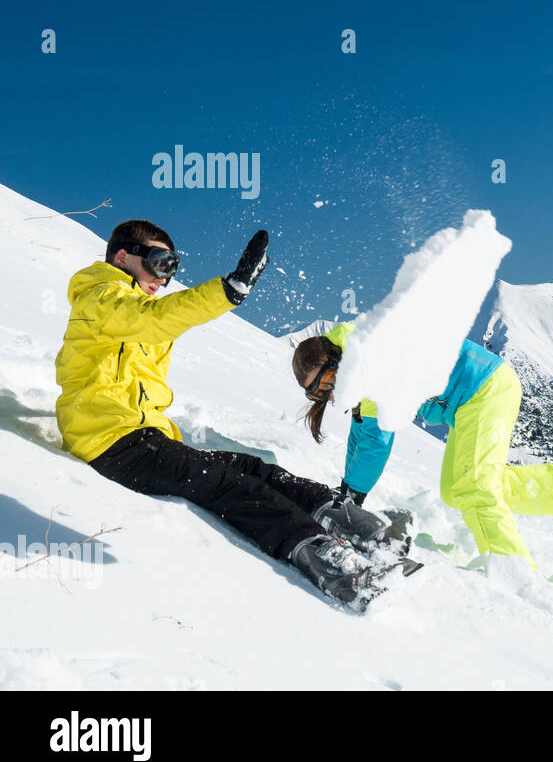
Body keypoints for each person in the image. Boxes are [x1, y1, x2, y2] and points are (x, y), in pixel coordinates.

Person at [55, 219, 400, 609]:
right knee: (232, 485)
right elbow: (153, 318)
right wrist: (227, 291)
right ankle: (332, 562)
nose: (165, 277)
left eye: (173, 267)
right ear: (123, 256)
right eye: (158, 262)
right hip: (110, 442)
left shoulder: (133, 307)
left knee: (254, 469)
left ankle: (356, 524)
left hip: (144, 440)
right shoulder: (101, 296)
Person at [290, 320, 553, 572]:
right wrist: (347, 490)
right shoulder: (356, 360)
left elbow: (375, 441)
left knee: (474, 488)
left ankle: (515, 574)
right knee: (456, 489)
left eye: (328, 380)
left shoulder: (368, 362)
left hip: (483, 388)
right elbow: (362, 429)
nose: (328, 393)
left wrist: (352, 497)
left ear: (333, 358)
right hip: (472, 398)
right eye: (317, 393)